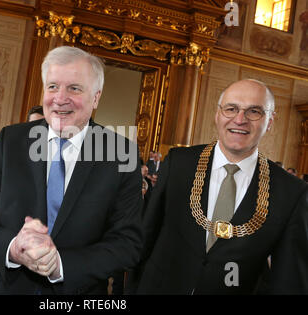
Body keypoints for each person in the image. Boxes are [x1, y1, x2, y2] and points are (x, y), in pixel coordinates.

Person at [0, 46, 143, 295]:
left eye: (74, 88)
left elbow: (127, 244)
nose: (60, 98)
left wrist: (60, 265)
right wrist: (14, 248)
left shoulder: (121, 153)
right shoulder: (11, 141)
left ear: (96, 97)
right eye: (53, 86)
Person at [131, 79, 308, 294]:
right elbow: (145, 239)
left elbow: (288, 278)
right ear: (217, 115)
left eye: (254, 111)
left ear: (270, 121)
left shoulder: (290, 191)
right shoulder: (179, 163)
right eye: (231, 109)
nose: (240, 119)